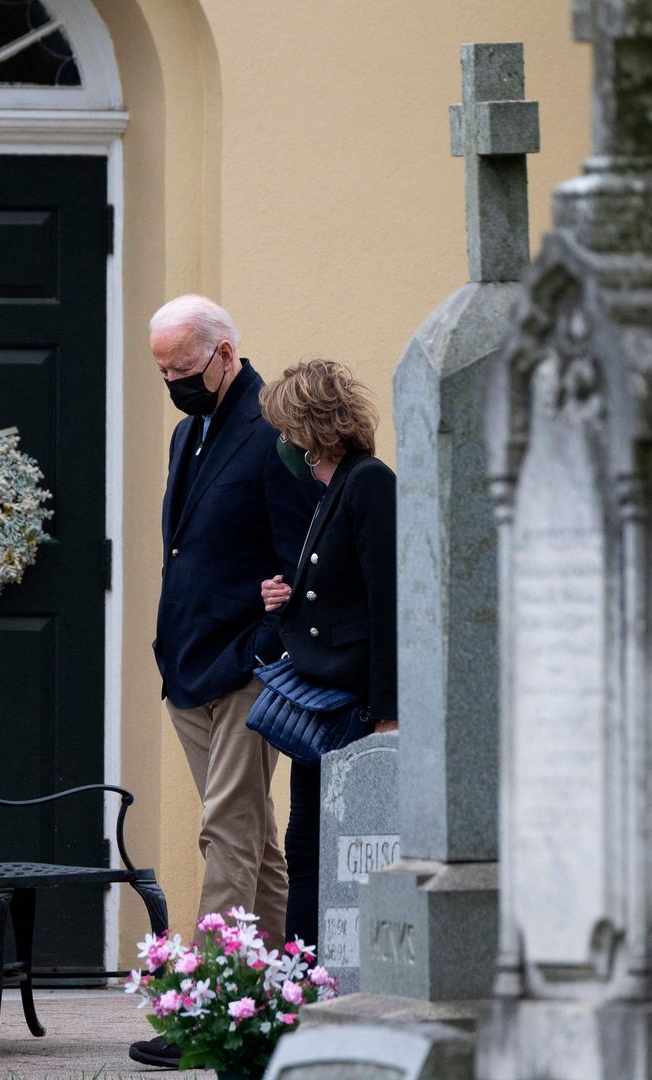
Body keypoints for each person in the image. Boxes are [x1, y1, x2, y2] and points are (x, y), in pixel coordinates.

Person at [131, 296, 321, 1071]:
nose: (173, 382)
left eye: (182, 369)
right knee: (257, 844)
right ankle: (274, 1001)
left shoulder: (274, 432)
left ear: (224, 354)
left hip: (245, 669)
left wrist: (265, 645)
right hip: (187, 666)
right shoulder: (188, 431)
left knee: (227, 831)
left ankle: (207, 1010)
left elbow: (301, 550)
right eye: (162, 372)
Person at [257, 359, 398, 950]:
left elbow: (388, 601)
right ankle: (301, 978)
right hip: (323, 703)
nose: (283, 442)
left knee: (337, 848)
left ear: (312, 424)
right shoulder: (329, 486)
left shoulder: (368, 482)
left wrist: (390, 718)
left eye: (288, 428)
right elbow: (332, 594)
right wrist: (284, 600)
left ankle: (322, 977)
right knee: (305, 845)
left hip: (355, 710)